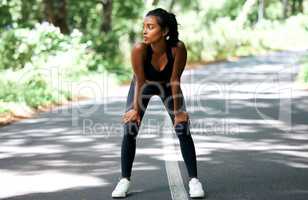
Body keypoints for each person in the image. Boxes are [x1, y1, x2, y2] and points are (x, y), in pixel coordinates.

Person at [111, 8, 205, 198]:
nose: (144, 31)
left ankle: (194, 181)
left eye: (150, 27)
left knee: (182, 127)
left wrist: (179, 112)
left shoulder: (178, 48)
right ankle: (124, 180)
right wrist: (135, 111)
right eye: (144, 27)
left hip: (168, 87)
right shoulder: (139, 50)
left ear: (164, 31)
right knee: (130, 126)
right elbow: (140, 80)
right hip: (143, 85)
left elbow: (175, 80)